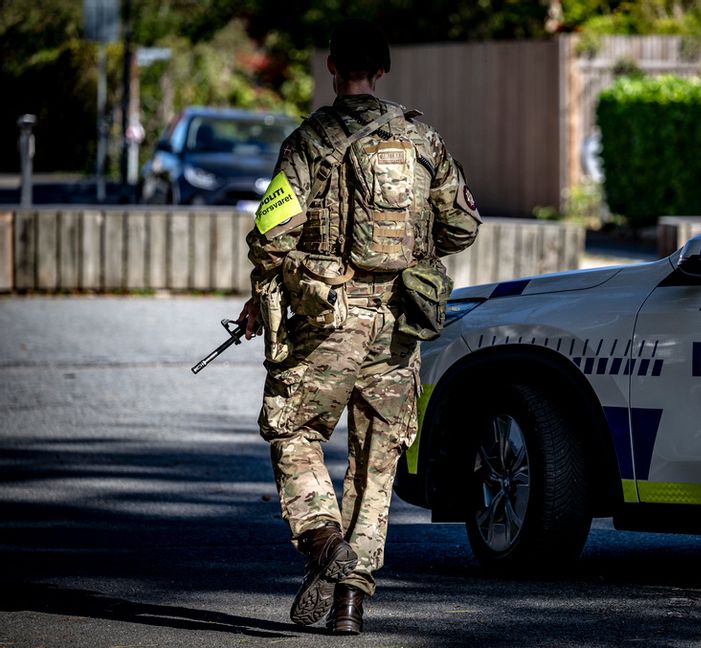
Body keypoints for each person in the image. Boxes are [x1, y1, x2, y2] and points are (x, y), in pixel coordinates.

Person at [238, 18, 480, 635]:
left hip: (328, 320)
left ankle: (322, 542)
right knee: (378, 462)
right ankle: (351, 601)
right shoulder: (422, 137)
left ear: (331, 66)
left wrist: (271, 284)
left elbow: (271, 236)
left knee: (292, 432)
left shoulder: (309, 140)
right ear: (383, 68)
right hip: (400, 323)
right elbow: (463, 227)